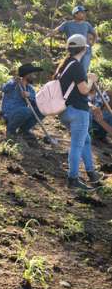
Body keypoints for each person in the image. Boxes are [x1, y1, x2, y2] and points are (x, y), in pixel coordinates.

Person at [54, 34, 103, 190]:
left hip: (65, 112)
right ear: (83, 49)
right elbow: (84, 90)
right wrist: (92, 80)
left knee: (85, 140)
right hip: (78, 113)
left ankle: (91, 172)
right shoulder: (76, 65)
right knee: (76, 145)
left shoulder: (65, 65)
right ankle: (73, 179)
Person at [0, 63, 44, 140]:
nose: (35, 76)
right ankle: (10, 131)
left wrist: (29, 95)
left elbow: (37, 103)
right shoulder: (13, 83)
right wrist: (14, 82)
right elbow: (3, 88)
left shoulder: (30, 89)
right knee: (25, 111)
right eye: (33, 74)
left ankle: (23, 131)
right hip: (9, 114)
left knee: (42, 110)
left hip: (22, 114)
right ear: (27, 75)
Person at [54, 5, 97, 74]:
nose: (84, 14)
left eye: (84, 12)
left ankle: (82, 83)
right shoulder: (67, 24)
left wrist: (92, 43)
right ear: (75, 14)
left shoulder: (87, 24)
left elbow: (95, 34)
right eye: (82, 12)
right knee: (72, 69)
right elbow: (56, 30)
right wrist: (45, 37)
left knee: (83, 70)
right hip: (73, 51)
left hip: (85, 51)